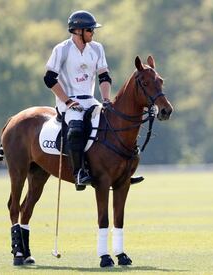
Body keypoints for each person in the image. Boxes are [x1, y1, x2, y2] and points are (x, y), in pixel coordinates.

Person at [43, 10, 143, 190]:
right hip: (68, 102)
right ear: (78, 30)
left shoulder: (97, 48)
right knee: (75, 130)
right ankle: (79, 172)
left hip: (90, 100)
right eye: (90, 30)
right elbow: (49, 79)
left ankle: (123, 171)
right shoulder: (62, 49)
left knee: (111, 123)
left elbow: (104, 77)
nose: (93, 33)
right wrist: (66, 101)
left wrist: (105, 99)